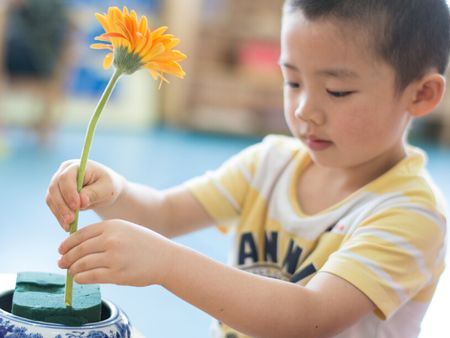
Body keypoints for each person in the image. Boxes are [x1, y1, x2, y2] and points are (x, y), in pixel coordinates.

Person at [46, 0, 450, 337]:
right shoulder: (268, 164)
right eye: (292, 82)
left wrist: (164, 263)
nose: (304, 109)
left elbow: (311, 316)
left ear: (422, 94)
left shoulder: (411, 214)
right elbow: (163, 214)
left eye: (337, 91)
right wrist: (114, 190)